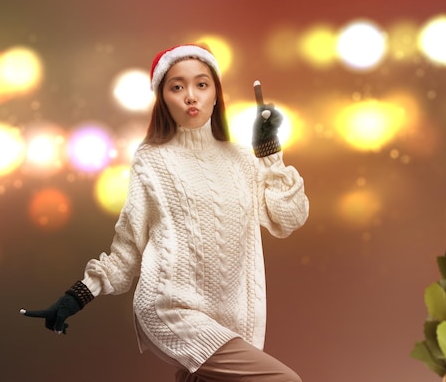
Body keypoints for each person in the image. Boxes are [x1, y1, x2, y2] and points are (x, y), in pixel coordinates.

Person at [20, 43, 310, 382]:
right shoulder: (153, 159)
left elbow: (288, 218)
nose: (191, 96)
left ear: (216, 94)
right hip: (171, 308)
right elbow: (128, 249)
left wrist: (269, 153)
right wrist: (77, 296)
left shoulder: (242, 160)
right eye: (177, 87)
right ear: (163, 99)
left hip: (233, 319)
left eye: (202, 84)